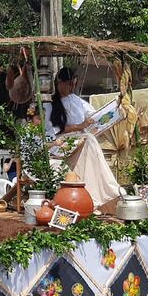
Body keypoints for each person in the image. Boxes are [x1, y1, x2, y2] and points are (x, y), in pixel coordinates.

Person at [43, 67, 122, 208]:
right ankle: (106, 188)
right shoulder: (50, 106)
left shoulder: (77, 101)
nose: (72, 88)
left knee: (90, 140)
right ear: (59, 83)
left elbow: (93, 116)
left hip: (80, 140)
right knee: (89, 139)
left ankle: (105, 190)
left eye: (74, 84)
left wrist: (106, 117)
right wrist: (80, 126)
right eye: (69, 84)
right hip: (61, 144)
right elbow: (53, 130)